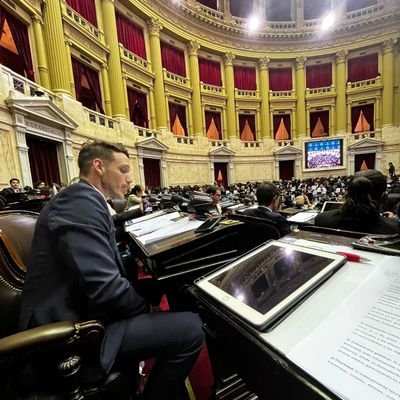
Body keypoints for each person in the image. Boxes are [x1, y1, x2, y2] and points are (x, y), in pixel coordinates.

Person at [18, 141, 204, 399]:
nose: (130, 179)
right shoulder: (79, 202)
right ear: (99, 166)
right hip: (75, 332)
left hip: (83, 309)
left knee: (160, 287)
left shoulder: (84, 199)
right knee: (192, 329)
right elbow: (105, 288)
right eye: (124, 170)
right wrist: (146, 310)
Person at [315, 169, 400, 234]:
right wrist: (390, 221)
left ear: (348, 194)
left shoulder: (321, 220)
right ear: (383, 197)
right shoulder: (394, 229)